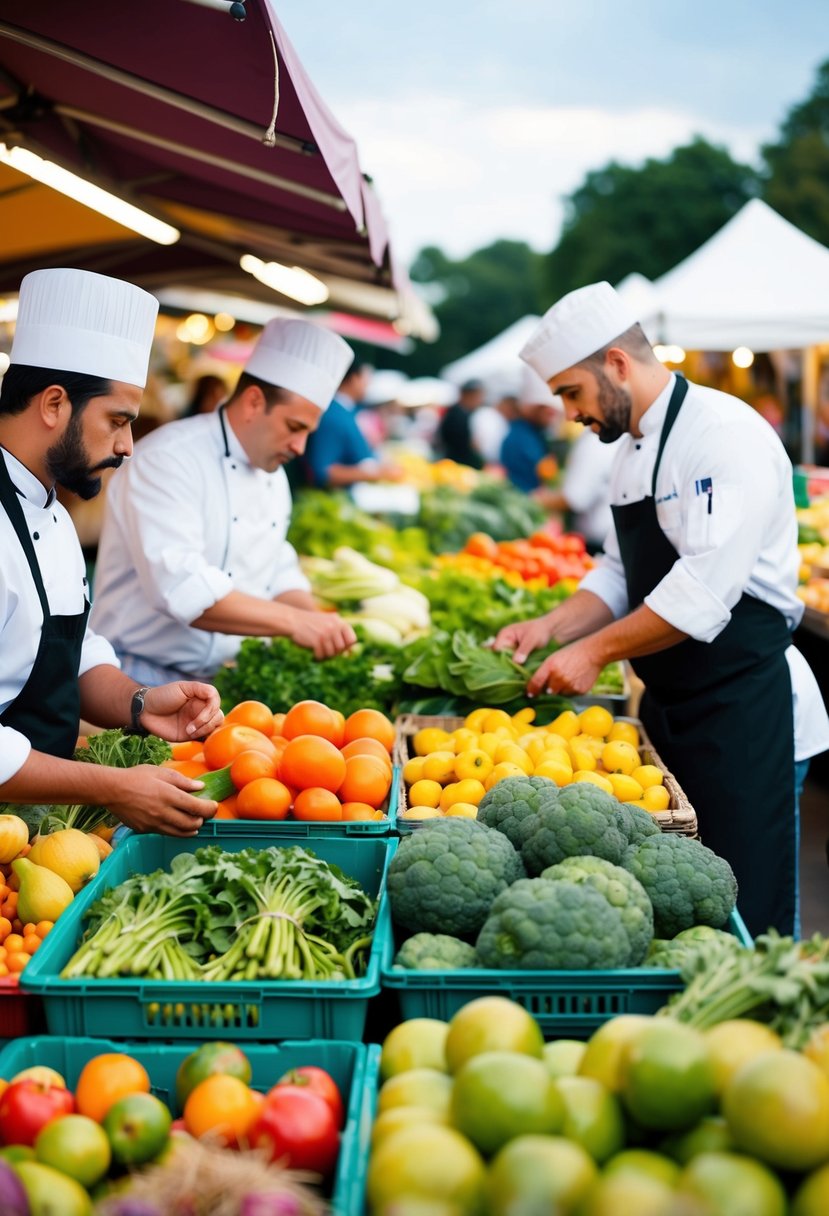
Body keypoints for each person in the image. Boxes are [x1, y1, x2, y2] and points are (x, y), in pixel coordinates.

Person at [493, 281, 829, 938]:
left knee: (748, 911)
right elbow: (621, 572)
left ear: (616, 364)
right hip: (674, 711)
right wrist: (551, 626)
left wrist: (590, 651)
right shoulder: (627, 455)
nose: (568, 413)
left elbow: (702, 592)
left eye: (571, 392)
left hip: (746, 712)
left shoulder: (722, 434)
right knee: (686, 909)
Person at [0, 268, 223, 837]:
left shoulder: (50, 508)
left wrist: (140, 704)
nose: (128, 445)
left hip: (38, 831)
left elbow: (70, 652)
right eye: (118, 421)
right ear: (54, 404)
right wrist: (113, 786)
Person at [91, 318, 359, 686]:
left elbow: (275, 565)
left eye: (307, 434)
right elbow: (182, 588)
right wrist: (296, 623)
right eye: (295, 428)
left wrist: (317, 619)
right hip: (132, 675)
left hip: (222, 681)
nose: (300, 448)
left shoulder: (274, 476)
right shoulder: (168, 459)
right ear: (253, 402)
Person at [302, 362, 402, 488]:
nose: (369, 384)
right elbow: (322, 472)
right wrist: (377, 473)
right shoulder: (333, 415)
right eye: (366, 379)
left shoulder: (346, 410)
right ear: (354, 378)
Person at [538, 425, 618, 554]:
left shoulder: (595, 441)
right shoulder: (601, 438)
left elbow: (574, 498)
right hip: (604, 540)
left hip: (598, 543)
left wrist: (537, 500)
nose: (570, 416)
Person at [500, 366, 560, 493]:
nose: (552, 416)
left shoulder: (535, 433)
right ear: (534, 408)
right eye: (548, 411)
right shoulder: (519, 439)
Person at [435, 378, 485, 469]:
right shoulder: (457, 415)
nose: (480, 400)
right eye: (477, 396)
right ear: (467, 395)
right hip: (457, 464)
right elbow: (462, 445)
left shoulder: (461, 412)